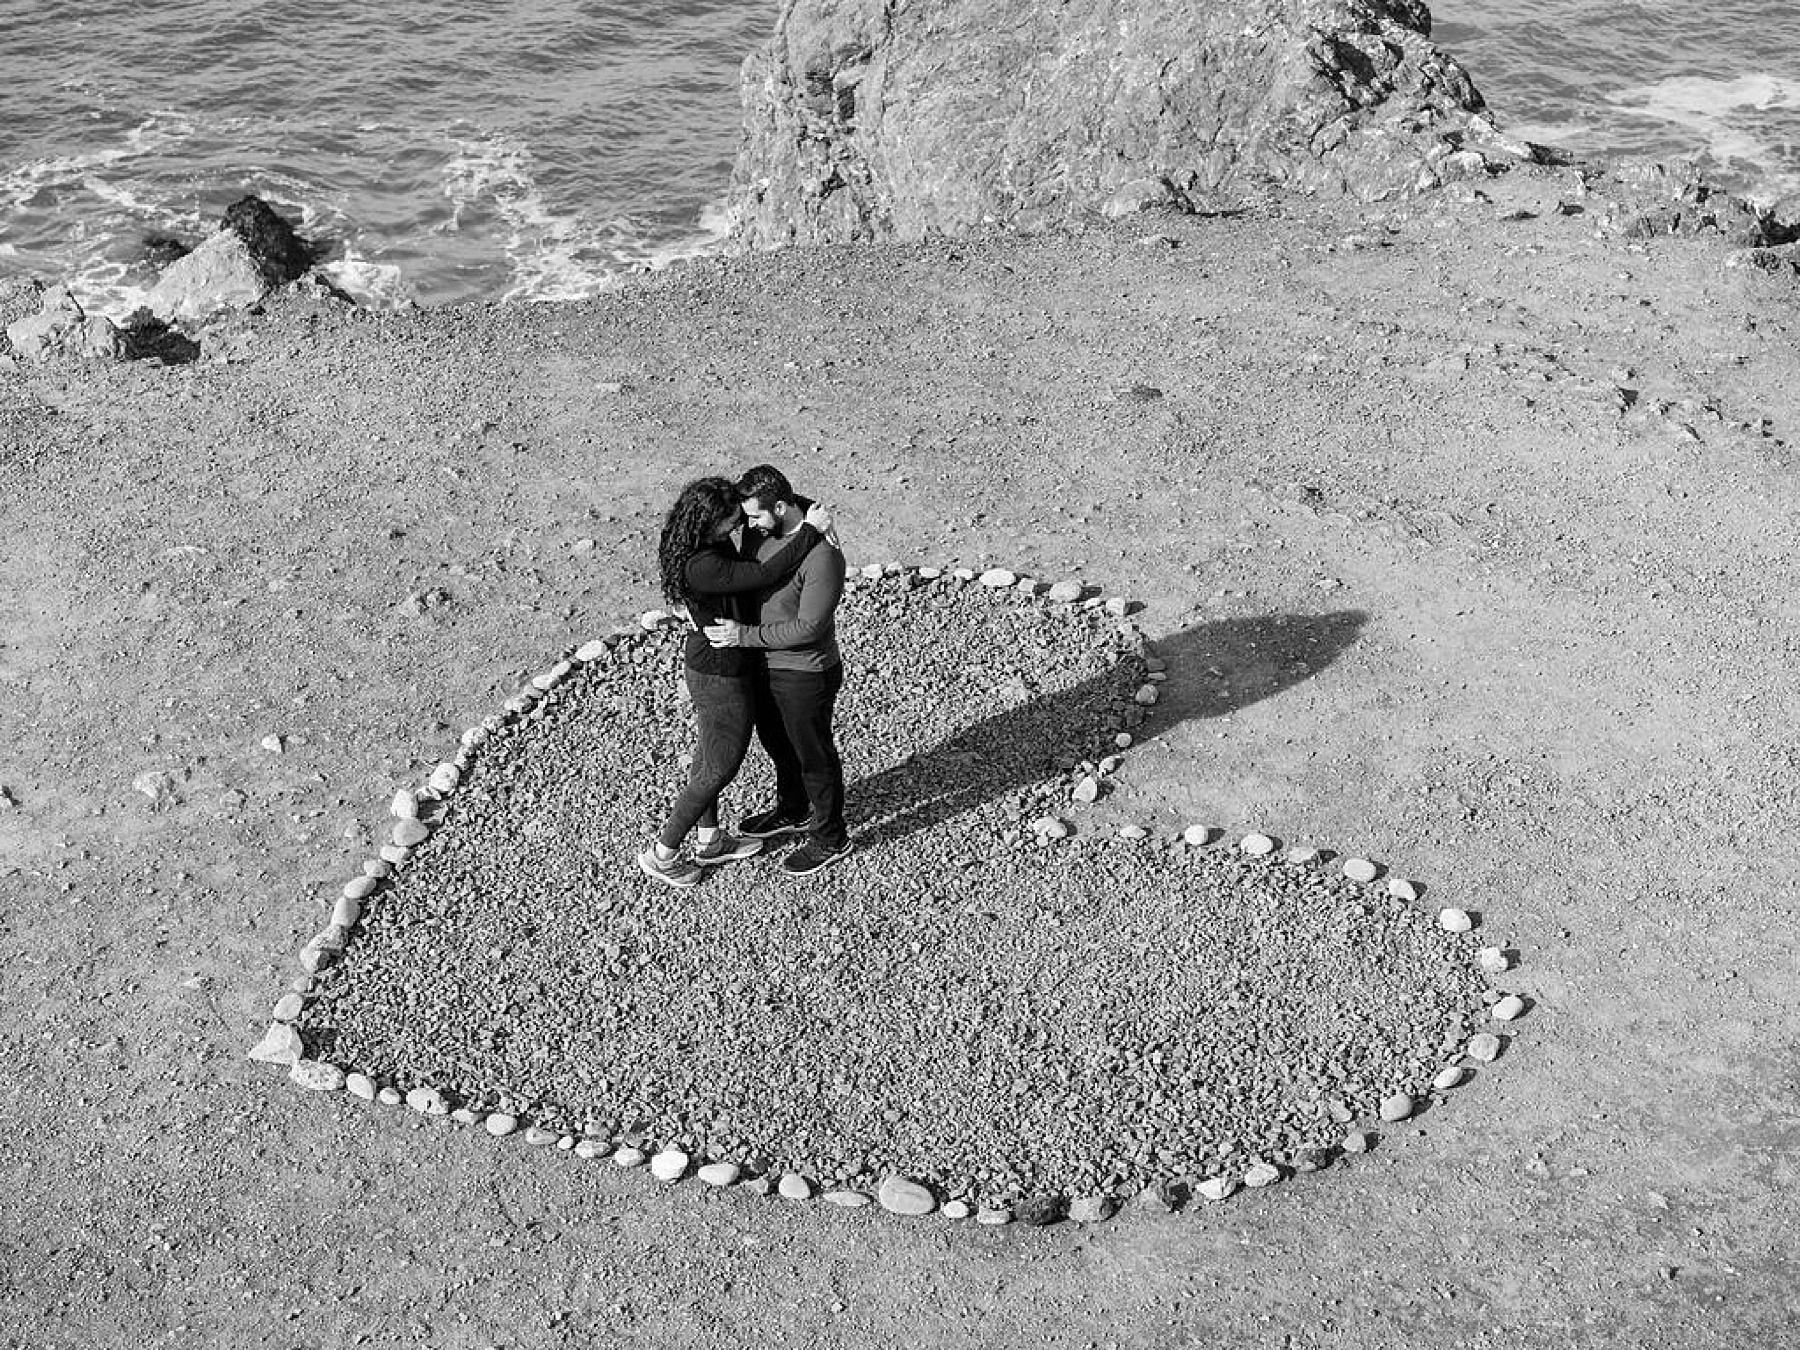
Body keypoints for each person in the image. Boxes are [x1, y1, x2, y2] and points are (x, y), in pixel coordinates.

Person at [637, 476, 835, 888]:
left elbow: (776, 501)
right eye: (731, 522)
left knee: (710, 756)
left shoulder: (699, 542)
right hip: (720, 672)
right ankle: (664, 852)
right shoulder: (703, 564)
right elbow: (765, 573)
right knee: (719, 765)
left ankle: (710, 840)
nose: (737, 527)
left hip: (724, 666)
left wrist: (810, 509)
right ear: (707, 522)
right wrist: (812, 530)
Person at [704, 464, 850, 877]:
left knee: (813, 755)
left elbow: (809, 627)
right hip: (766, 666)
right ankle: (794, 808)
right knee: (777, 743)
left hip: (804, 673)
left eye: (754, 516)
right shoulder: (763, 527)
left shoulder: (824, 556)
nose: (746, 526)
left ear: (781, 507)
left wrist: (743, 636)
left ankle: (831, 837)